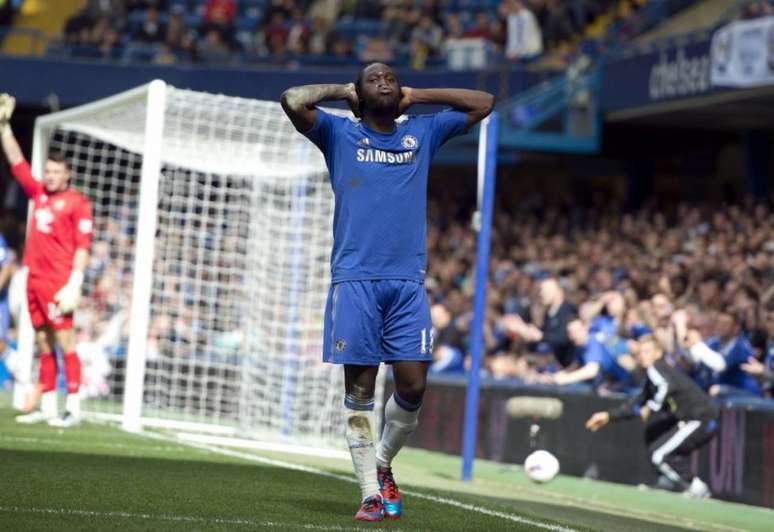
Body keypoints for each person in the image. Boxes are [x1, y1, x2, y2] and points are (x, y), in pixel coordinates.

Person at [281, 64, 494, 521]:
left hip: (406, 284)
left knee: (413, 386)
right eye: (372, 77)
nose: (384, 81)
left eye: (391, 78)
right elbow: (293, 98)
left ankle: (381, 463)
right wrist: (342, 90)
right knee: (360, 391)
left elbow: (484, 103)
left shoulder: (423, 132)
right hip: (355, 281)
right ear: (358, 92)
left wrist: (416, 95)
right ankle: (369, 495)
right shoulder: (338, 135)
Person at [0, 93, 93, 427]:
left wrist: (76, 281)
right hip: (33, 279)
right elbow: (16, 162)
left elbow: (83, 244)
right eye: (49, 171)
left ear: (67, 175)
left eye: (57, 172)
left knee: (65, 341)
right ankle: (50, 406)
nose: (51, 176)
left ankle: (75, 408)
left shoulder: (78, 203)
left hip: (58, 282)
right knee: (42, 341)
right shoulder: (38, 194)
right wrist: (4, 128)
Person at [586, 336, 718, 498]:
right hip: (693, 419)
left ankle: (698, 488)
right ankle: (668, 480)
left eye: (647, 351)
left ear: (657, 353)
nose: (642, 356)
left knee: (660, 455)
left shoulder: (657, 368)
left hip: (700, 418)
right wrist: (608, 416)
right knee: (654, 434)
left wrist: (652, 406)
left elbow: (666, 386)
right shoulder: (651, 377)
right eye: (640, 352)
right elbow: (637, 403)